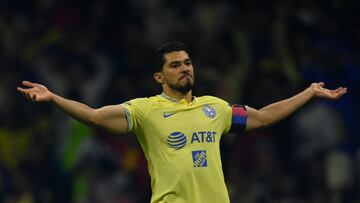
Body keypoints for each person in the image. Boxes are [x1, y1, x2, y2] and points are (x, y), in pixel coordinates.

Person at [17, 41, 347, 203]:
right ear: (159, 76)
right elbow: (94, 117)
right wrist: (53, 97)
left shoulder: (215, 108)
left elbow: (263, 116)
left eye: (188, 63)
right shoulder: (145, 110)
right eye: (175, 65)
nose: (185, 68)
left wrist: (309, 93)